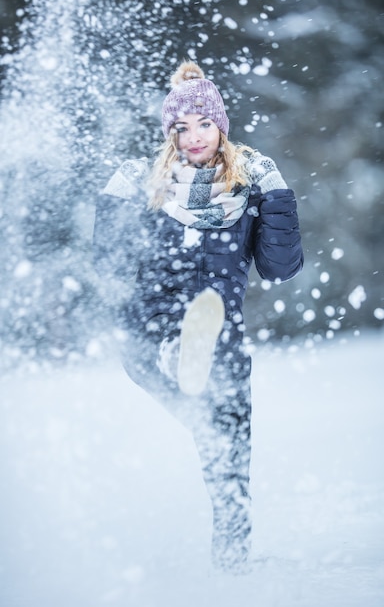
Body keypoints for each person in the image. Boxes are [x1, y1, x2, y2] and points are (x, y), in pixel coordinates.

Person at [92, 61, 303, 573]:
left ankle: (232, 563)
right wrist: (115, 201)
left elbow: (279, 267)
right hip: (150, 325)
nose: (194, 137)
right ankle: (179, 353)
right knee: (157, 360)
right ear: (169, 134)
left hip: (223, 334)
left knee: (230, 452)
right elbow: (111, 262)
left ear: (222, 126)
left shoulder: (247, 191)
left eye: (204, 124)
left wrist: (275, 194)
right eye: (181, 127)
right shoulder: (148, 184)